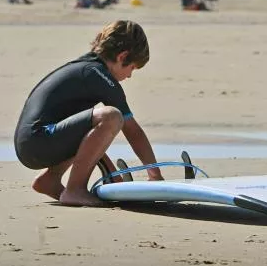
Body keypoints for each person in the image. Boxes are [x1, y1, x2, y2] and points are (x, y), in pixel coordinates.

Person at [13, 21, 163, 207]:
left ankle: (50, 180)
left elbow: (91, 139)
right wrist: (155, 174)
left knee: (98, 121)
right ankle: (75, 189)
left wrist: (112, 174)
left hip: (32, 144)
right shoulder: (97, 74)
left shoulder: (88, 68)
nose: (130, 75)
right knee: (112, 116)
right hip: (38, 140)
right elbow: (133, 131)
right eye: (132, 67)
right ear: (122, 56)